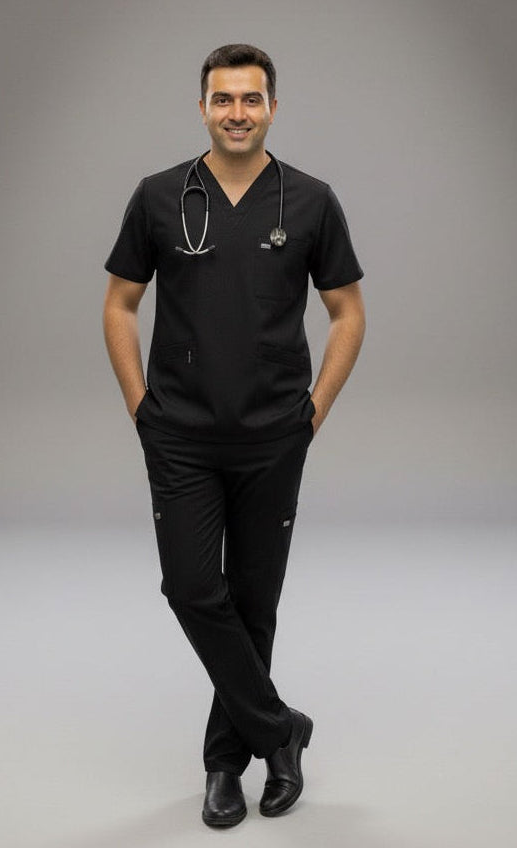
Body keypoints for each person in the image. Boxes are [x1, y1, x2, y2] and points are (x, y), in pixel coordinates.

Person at [102, 43, 366, 828]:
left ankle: (226, 764)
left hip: (272, 438)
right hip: (179, 435)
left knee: (255, 601)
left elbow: (348, 314)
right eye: (224, 100)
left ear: (273, 109)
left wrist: (311, 414)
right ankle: (281, 732)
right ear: (203, 109)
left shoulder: (311, 202)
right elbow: (119, 305)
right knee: (191, 588)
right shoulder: (159, 197)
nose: (238, 113)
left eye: (252, 100)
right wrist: (140, 408)